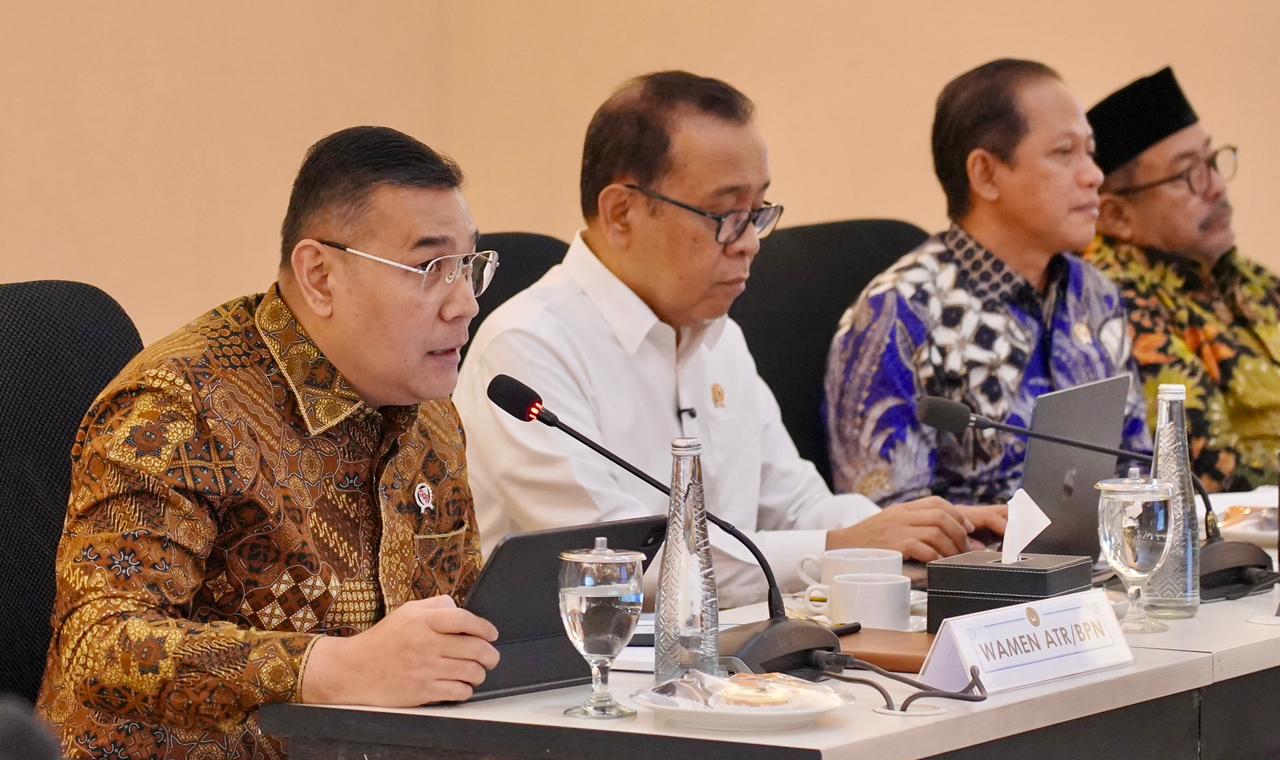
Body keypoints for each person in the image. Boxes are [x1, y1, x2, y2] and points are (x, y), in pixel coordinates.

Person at [19, 126, 502, 760]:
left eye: (469, 266)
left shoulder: (429, 417)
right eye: (430, 267)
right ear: (320, 276)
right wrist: (324, 669)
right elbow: (102, 643)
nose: (463, 303)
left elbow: (453, 613)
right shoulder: (181, 405)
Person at [453, 71, 1004, 610]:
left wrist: (923, 532)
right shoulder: (528, 347)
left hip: (730, 648)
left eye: (757, 213)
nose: (749, 244)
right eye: (723, 214)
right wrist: (840, 546)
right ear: (621, 212)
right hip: (587, 660)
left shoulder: (720, 339)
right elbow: (619, 565)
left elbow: (795, 506)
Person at [825, 59, 1149, 505]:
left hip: (1103, 547)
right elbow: (888, 522)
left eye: (1090, 152)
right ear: (986, 174)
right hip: (971, 552)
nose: (1094, 175)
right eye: (1063, 153)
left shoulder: (1093, 294)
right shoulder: (899, 314)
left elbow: (1137, 468)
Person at [1084, 66, 1280, 491]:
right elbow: (1205, 467)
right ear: (1116, 215)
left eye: (1212, 161)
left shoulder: (1247, 278)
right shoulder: (1112, 298)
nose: (1216, 187)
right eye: (1186, 174)